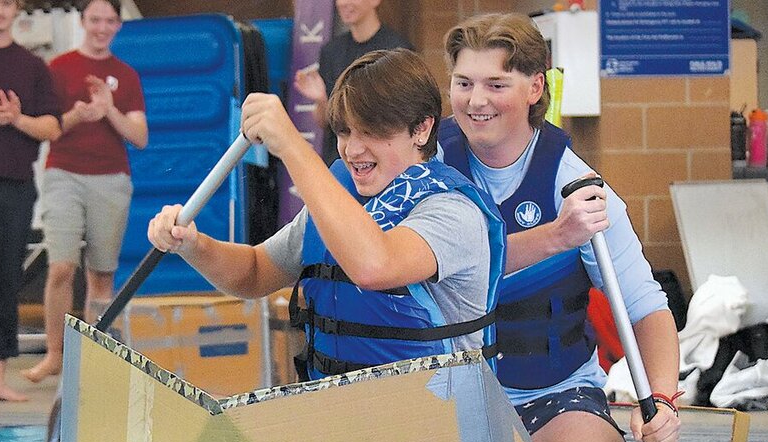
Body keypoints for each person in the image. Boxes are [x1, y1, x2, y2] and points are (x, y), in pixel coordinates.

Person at [440, 13, 681, 442]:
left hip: (553, 391)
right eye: (463, 83)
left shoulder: (579, 189)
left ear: (534, 87)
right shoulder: (428, 167)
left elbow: (646, 307)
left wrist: (660, 399)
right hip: (446, 394)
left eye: (495, 84)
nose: (475, 101)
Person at [148, 49, 504, 381]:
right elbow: (254, 272)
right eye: (344, 132)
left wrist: (290, 145)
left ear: (422, 129)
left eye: (373, 132)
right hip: (345, 418)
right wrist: (193, 245)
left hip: (439, 424)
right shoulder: (337, 203)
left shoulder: (452, 212)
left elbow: (373, 265)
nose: (353, 149)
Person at [22, 0, 148, 384]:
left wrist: (108, 109)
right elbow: (46, 128)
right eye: (95, 20)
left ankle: (94, 361)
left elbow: (139, 137)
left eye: (110, 21)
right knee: (61, 266)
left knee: (101, 277)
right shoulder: (58, 68)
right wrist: (79, 113)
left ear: (117, 26)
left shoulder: (126, 75)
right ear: (82, 22)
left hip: (111, 179)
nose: (102, 28)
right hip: (64, 173)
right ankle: (56, 354)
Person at [0, 0, 61, 401]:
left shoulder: (33, 66)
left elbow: (52, 125)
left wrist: (17, 119)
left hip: (16, 188)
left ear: (16, 10)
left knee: (5, 281)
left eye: (6, 3)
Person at [293, 0, 412, 165]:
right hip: (340, 164)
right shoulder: (331, 51)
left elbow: (402, 117)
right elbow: (325, 121)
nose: (343, 3)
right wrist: (321, 100)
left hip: (381, 163)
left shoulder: (397, 50)